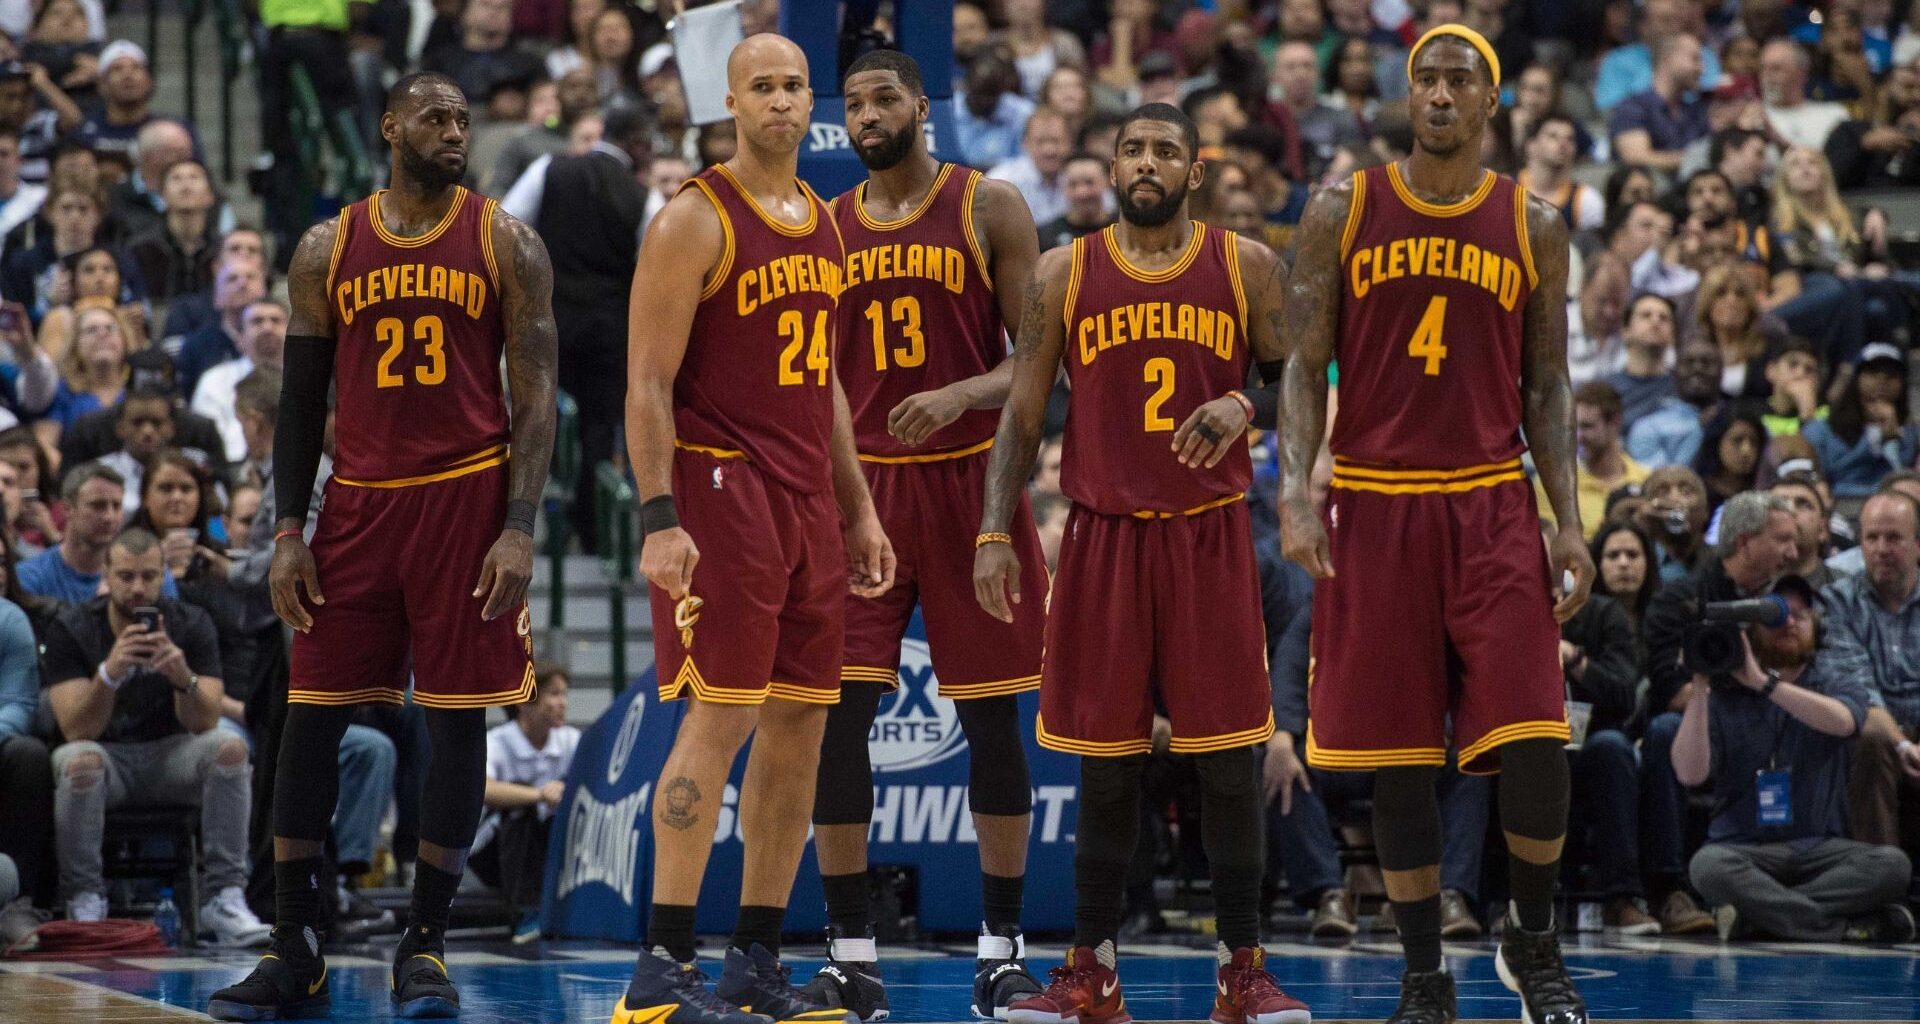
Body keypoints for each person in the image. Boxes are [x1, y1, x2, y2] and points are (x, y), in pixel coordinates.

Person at [207, 71, 557, 1021]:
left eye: (464, 119)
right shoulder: (328, 247)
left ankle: (428, 945)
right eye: (436, 118)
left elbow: (536, 401)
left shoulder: (506, 241)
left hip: (466, 503)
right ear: (391, 126)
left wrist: (520, 527)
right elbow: (298, 408)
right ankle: (296, 943)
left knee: (456, 724)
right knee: (310, 718)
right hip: (357, 505)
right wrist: (288, 530)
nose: (455, 131)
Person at [1278, 25, 1593, 1024]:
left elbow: (1547, 383)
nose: (1443, 93)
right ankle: (1423, 975)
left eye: (1462, 79)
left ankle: (1531, 940)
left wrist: (1569, 521)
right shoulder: (1345, 206)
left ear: (1492, 103)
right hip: (1373, 500)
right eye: (1428, 78)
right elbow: (1298, 359)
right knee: (1401, 756)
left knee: (1540, 735)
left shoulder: (1534, 222)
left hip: (1493, 500)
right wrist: (1294, 488)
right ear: (1408, 95)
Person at [973, 100, 1307, 1024]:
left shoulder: (1244, 265)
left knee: (1231, 761)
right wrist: (996, 530)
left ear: (1195, 171)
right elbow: (1023, 410)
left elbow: (1306, 376)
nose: (1148, 163)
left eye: (1166, 150)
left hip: (1209, 535)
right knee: (1107, 765)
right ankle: (1091, 973)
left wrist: (1245, 405)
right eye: (1133, 150)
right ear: (1112, 169)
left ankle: (1244, 969)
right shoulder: (1062, 271)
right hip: (1103, 536)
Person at [613, 35, 890, 1024]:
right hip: (720, 494)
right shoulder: (694, 217)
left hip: (808, 500)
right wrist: (657, 517)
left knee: (801, 730)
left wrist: (856, 509)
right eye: (761, 87)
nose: (780, 102)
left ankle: (754, 962)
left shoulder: (823, 221)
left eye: (792, 86)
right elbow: (645, 381)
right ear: (729, 101)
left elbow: (829, 386)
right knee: (720, 716)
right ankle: (659, 972)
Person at [791, 50, 1047, 1023]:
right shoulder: (824, 226)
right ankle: (852, 956)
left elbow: (1037, 365)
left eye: (883, 96)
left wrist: (957, 392)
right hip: (860, 497)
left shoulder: (990, 206)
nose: (865, 113)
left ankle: (1000, 951)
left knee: (989, 719)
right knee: (837, 718)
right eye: (851, 102)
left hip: (974, 489)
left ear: (921, 105)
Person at [42, 529, 270, 944]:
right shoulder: (72, 628)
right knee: (78, 758)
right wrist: (109, 673)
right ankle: (86, 899)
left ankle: (225, 897)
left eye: (148, 576)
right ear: (106, 575)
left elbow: (204, 722)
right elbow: (76, 729)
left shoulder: (191, 624)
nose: (137, 588)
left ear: (163, 574)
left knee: (229, 749)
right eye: (126, 576)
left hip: (169, 757)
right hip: (106, 757)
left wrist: (183, 678)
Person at [1676, 573, 1916, 942]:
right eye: (1773, 615)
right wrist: (1701, 684)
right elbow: (1690, 774)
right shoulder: (1723, 695)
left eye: (1800, 615)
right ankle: (1838, 927)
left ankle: (1759, 918)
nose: (1788, 622)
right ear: (1750, 631)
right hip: (1744, 849)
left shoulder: (1834, 681)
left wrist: (1764, 683)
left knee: (1892, 866)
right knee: (1707, 867)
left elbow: (1846, 721)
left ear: (1816, 627)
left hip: (1821, 850)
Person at [500, 103, 650, 554]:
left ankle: (531, 522)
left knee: (537, 418)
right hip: (612, 329)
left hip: (550, 318)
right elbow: (652, 267)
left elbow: (506, 225)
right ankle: (591, 529)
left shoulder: (551, 168)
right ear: (638, 144)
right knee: (599, 430)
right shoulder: (644, 197)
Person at [1818, 491, 1920, 855]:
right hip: (1878, 732)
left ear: (1918, 544)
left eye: (1893, 538)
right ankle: (1881, 881)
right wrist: (1904, 744)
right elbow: (1855, 688)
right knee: (1869, 739)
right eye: (1871, 538)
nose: (1880, 549)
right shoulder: (1837, 602)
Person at [472, 664, 578, 939]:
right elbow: (481, 789)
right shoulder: (497, 740)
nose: (562, 703)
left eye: (564, 694)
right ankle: (526, 914)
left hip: (543, 850)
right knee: (522, 806)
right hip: (493, 853)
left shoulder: (569, 740)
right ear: (524, 702)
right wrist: (539, 795)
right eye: (554, 694)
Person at [192, 299, 287, 463]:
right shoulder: (214, 381)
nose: (267, 328)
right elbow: (207, 442)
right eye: (257, 321)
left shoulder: (310, 380)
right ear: (239, 338)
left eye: (275, 320)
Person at [1037, 152, 1112, 250]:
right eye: (1073, 184)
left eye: (1089, 183)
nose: (1082, 193)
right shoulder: (1044, 237)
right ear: (1062, 187)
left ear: (1107, 182)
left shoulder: (1125, 231)